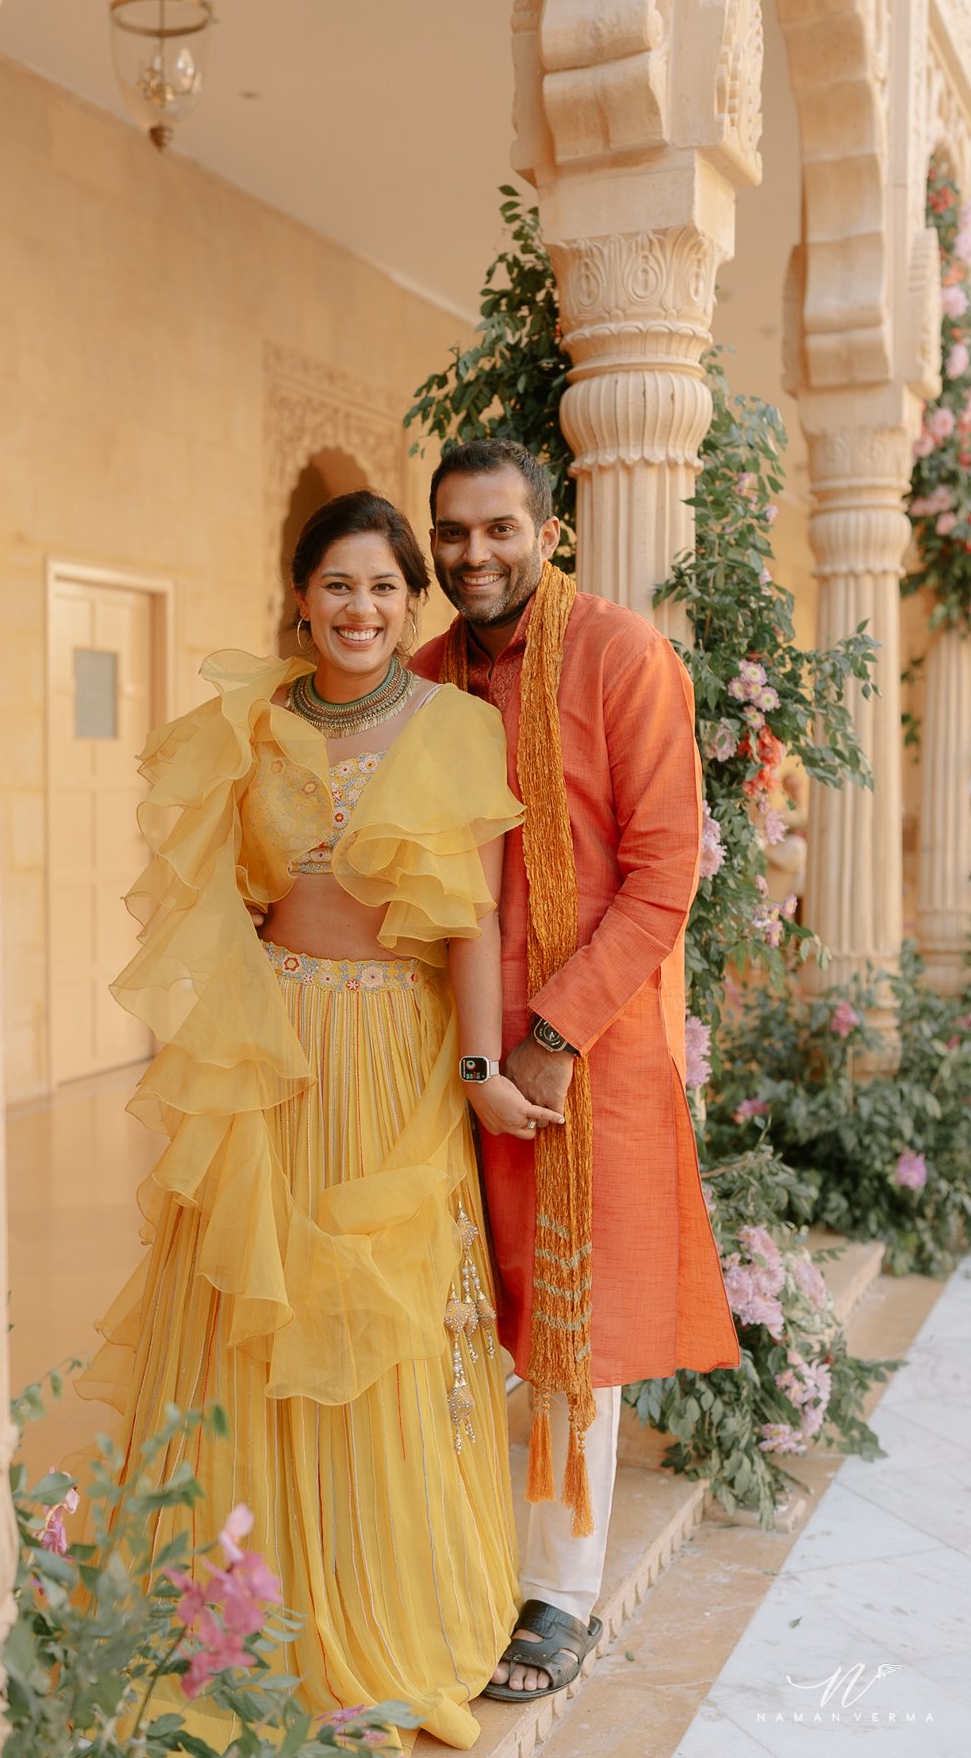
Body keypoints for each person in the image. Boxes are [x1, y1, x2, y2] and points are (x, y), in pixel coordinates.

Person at [80, 489, 547, 1747]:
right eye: (337, 585)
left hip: (391, 1063)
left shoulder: (452, 725)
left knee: (379, 1331)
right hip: (272, 1056)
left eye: (385, 587)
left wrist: (475, 1068)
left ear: (412, 604)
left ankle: (376, 1606)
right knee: (250, 1314)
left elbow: (472, 923)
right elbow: (220, 903)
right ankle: (235, 1603)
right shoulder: (254, 722)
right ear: (300, 596)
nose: (360, 608)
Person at [412, 440, 740, 1702]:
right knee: (449, 1302)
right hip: (450, 1040)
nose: (472, 554)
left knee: (565, 1325)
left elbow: (664, 873)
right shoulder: (428, 675)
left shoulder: (618, 656)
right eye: (452, 532)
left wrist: (547, 1039)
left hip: (582, 1061)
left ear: (549, 533)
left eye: (498, 529)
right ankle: (443, 1555)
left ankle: (557, 1594)